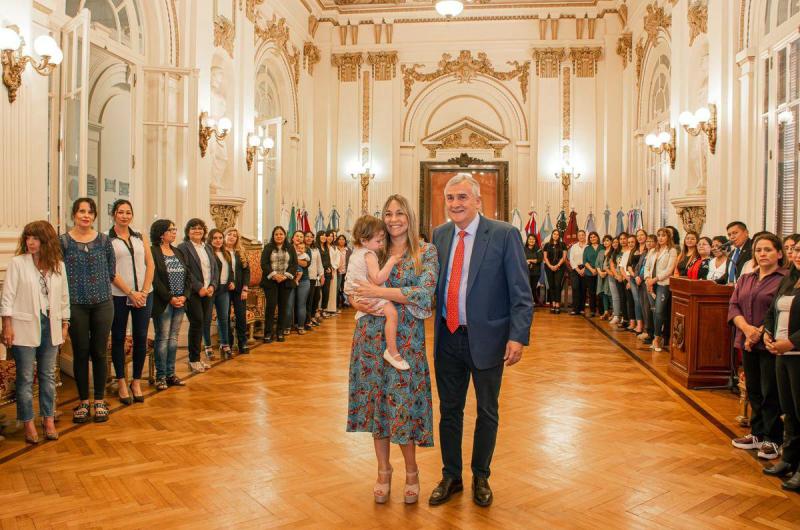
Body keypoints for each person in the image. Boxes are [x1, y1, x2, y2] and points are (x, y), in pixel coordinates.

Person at [427, 174, 533, 508]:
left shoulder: (504, 235)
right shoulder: (439, 236)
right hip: (448, 337)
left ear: (477, 201)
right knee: (449, 412)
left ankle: (481, 476)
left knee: (487, 412)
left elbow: (521, 293)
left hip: (488, 339)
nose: (455, 204)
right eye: (450, 198)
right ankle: (451, 475)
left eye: (461, 197)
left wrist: (517, 337)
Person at [347, 194, 437, 506]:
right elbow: (354, 289)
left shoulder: (425, 252)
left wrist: (379, 291)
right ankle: (383, 471)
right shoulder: (374, 248)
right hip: (370, 338)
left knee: (404, 404)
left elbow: (424, 294)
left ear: (410, 217)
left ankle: (412, 472)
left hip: (407, 341)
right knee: (378, 405)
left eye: (400, 213)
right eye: (388, 213)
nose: (394, 218)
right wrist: (360, 298)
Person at [1, 221, 69, 442]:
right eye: (28, 237)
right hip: (23, 326)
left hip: (52, 324)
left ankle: (48, 419)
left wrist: (65, 324)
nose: (30, 242)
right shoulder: (18, 263)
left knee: (48, 376)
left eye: (36, 238)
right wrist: (7, 326)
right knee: (26, 377)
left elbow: (64, 298)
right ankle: (28, 422)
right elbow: (7, 297)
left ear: (46, 241)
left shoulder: (58, 265)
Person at [729, 233, 787, 461]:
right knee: (753, 389)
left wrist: (758, 332)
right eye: (759, 250)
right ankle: (757, 433)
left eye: (768, 250)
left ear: (779, 254)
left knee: (769, 391)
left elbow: (777, 310)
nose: (762, 254)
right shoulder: (746, 278)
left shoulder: (785, 279)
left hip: (769, 343)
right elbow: (734, 306)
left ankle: (773, 439)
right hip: (747, 341)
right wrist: (746, 329)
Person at [60, 198, 115, 423]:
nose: (86, 215)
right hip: (76, 305)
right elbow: (58, 273)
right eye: (81, 211)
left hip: (103, 303)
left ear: (94, 216)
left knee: (100, 352)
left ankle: (100, 400)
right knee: (81, 353)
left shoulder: (103, 241)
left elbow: (111, 269)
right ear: (74, 214)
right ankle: (83, 402)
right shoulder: (62, 242)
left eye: (90, 212)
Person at [345, 215, 407, 369]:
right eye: (378, 241)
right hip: (367, 294)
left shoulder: (356, 252)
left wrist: (352, 297)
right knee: (392, 313)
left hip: (358, 294)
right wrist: (391, 261)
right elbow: (378, 279)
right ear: (364, 240)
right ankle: (392, 351)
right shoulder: (369, 254)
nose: (380, 244)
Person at [763, 239, 800, 490]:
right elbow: (773, 309)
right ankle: (788, 459)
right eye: (796, 249)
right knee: (789, 411)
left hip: (796, 353)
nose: (797, 254)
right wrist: (767, 331)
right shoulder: (789, 278)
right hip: (781, 353)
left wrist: (792, 342)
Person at [108, 199, 154, 405]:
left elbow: (150, 264)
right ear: (114, 215)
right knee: (118, 337)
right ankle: (121, 381)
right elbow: (111, 271)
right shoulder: (107, 240)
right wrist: (130, 292)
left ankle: (136, 381)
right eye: (120, 212)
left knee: (141, 336)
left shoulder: (139, 237)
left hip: (144, 294)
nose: (124, 216)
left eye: (128, 212)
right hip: (119, 295)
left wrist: (143, 291)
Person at [150, 220, 190, 390]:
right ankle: (160, 376)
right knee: (163, 338)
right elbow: (154, 279)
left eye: (175, 229)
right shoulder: (153, 252)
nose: (174, 232)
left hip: (180, 301)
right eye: (171, 230)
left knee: (174, 338)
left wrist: (184, 297)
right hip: (164, 302)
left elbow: (188, 275)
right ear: (161, 233)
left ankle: (170, 373)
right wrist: (169, 298)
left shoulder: (178, 251)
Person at [178, 218, 219, 373]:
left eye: (200, 228)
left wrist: (212, 286)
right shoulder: (183, 247)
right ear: (188, 231)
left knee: (203, 324)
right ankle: (193, 359)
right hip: (194, 292)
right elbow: (186, 270)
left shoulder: (207, 247)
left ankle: (197, 357)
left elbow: (214, 269)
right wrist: (199, 287)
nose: (197, 231)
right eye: (194, 228)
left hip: (209, 292)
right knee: (197, 322)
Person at [260, 226, 298, 343]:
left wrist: (285, 276)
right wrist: (274, 275)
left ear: (285, 235)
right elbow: (264, 263)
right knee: (271, 307)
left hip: (285, 282)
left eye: (281, 234)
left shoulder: (290, 248)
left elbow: (294, 264)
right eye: (276, 234)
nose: (279, 236)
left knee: (283, 308)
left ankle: (280, 332)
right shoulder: (268, 247)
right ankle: (268, 333)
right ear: (273, 235)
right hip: (271, 282)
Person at [644, 228, 677, 352]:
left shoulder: (672, 251)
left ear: (668, 237)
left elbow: (669, 270)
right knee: (653, 310)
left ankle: (657, 338)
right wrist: (648, 279)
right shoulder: (653, 250)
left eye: (663, 235)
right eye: (659, 235)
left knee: (659, 311)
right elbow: (647, 267)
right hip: (650, 283)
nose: (660, 238)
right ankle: (655, 336)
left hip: (663, 284)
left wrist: (655, 279)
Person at [206, 229, 232, 359]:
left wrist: (231, 281)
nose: (218, 240)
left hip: (224, 289)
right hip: (211, 289)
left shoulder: (226, 253)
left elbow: (230, 270)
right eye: (215, 238)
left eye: (220, 238)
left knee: (223, 318)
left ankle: (225, 344)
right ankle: (208, 346)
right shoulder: (207, 253)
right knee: (207, 318)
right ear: (210, 239)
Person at [223, 227, 250, 354]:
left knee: (241, 316)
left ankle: (242, 343)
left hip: (239, 289)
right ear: (225, 236)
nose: (232, 237)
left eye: (235, 235)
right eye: (229, 234)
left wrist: (245, 288)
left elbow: (246, 271)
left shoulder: (240, 252)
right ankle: (227, 342)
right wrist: (229, 282)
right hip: (224, 289)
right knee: (225, 316)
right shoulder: (219, 251)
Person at [627, 230, 648, 334]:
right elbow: (629, 265)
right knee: (637, 301)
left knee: (643, 302)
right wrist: (634, 276)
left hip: (643, 279)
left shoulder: (648, 249)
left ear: (646, 236)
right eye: (638, 235)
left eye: (642, 235)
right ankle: (639, 325)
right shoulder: (634, 249)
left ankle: (646, 327)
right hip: (633, 278)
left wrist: (639, 277)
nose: (639, 237)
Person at [638, 233, 657, 343]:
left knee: (650, 308)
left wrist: (641, 277)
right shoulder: (645, 253)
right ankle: (647, 331)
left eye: (651, 241)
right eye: (647, 242)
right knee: (644, 307)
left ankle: (651, 333)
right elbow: (639, 267)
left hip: (649, 282)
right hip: (641, 282)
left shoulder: (655, 253)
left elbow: (649, 268)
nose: (649, 243)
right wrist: (637, 276)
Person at [543, 229, 567, 314]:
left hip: (560, 267)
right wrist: (550, 266)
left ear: (559, 236)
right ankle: (552, 303)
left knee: (557, 285)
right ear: (552, 235)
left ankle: (557, 304)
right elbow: (545, 257)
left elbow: (564, 257)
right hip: (549, 267)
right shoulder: (547, 245)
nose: (556, 236)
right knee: (551, 285)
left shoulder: (563, 244)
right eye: (554, 234)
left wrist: (557, 265)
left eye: (557, 234)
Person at [292, 231, 311, 335]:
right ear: (292, 238)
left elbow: (305, 264)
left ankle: (300, 326)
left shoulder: (306, 250)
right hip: (288, 279)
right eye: (297, 236)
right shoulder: (288, 248)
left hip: (303, 279)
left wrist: (294, 259)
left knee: (301, 304)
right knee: (289, 304)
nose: (299, 238)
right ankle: (287, 326)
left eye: (301, 236)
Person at [305, 231, 323, 329]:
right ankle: (307, 320)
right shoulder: (302, 248)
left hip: (314, 277)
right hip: (304, 277)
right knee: (308, 300)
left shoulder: (315, 249)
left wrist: (321, 275)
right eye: (306, 236)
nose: (308, 238)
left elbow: (319, 263)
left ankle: (311, 317)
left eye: (310, 237)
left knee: (315, 298)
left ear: (313, 239)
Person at [568, 230, 587, 315]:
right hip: (575, 269)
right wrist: (577, 269)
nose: (581, 236)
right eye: (579, 235)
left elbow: (589, 259)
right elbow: (571, 259)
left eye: (583, 235)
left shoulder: (588, 246)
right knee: (575, 288)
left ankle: (582, 308)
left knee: (583, 289)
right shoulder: (574, 246)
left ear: (585, 236)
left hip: (585, 268)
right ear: (577, 236)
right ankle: (575, 309)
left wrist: (584, 269)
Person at [582, 232, 601, 317]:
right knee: (591, 292)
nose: (593, 238)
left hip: (601, 272)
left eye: (594, 237)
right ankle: (592, 311)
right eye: (591, 237)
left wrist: (598, 270)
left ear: (597, 237)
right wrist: (592, 269)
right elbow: (585, 261)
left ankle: (602, 311)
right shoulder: (587, 248)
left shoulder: (602, 247)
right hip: (589, 272)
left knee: (601, 292)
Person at [606, 236, 623, 325]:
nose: (615, 244)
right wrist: (612, 273)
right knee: (615, 297)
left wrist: (619, 275)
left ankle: (622, 316)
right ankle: (616, 315)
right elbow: (607, 265)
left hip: (622, 277)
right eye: (613, 242)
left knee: (622, 297)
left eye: (617, 242)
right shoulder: (611, 253)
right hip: (612, 277)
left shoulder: (622, 252)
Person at [317, 231, 333, 319]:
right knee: (317, 294)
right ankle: (317, 310)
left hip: (328, 273)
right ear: (318, 237)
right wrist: (324, 268)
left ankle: (324, 309)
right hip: (320, 273)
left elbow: (328, 259)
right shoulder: (316, 247)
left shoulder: (326, 247)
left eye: (325, 236)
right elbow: (318, 261)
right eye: (322, 236)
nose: (324, 237)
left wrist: (329, 267)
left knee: (326, 292)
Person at [596, 235, 612, 319]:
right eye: (604, 241)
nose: (605, 242)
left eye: (608, 240)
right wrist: (599, 272)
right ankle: (606, 312)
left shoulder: (613, 252)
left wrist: (606, 272)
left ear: (611, 242)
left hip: (609, 275)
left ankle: (613, 312)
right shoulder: (601, 251)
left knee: (609, 293)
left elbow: (613, 265)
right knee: (603, 293)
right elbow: (597, 264)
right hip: (600, 275)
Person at [523, 234, 542, 307]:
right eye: (530, 239)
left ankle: (532, 302)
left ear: (535, 240)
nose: (531, 240)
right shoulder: (523, 249)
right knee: (526, 287)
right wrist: (529, 261)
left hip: (536, 272)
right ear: (527, 240)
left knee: (533, 287)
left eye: (533, 239)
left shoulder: (538, 249)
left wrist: (529, 260)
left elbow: (540, 259)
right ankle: (528, 302)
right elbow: (521, 259)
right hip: (526, 272)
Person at [326, 230, 341, 315]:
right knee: (326, 290)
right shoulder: (324, 246)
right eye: (330, 236)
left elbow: (338, 259)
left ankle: (331, 309)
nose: (332, 237)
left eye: (333, 236)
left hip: (334, 271)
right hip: (327, 270)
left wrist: (334, 268)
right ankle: (325, 308)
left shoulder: (335, 247)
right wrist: (330, 268)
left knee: (332, 290)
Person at [336, 234, 351, 308]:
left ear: (345, 241)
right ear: (337, 240)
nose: (341, 241)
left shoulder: (348, 250)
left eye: (343, 239)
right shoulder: (335, 248)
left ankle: (345, 302)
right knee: (337, 287)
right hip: (337, 272)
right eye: (340, 239)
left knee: (345, 288)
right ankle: (337, 303)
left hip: (346, 272)